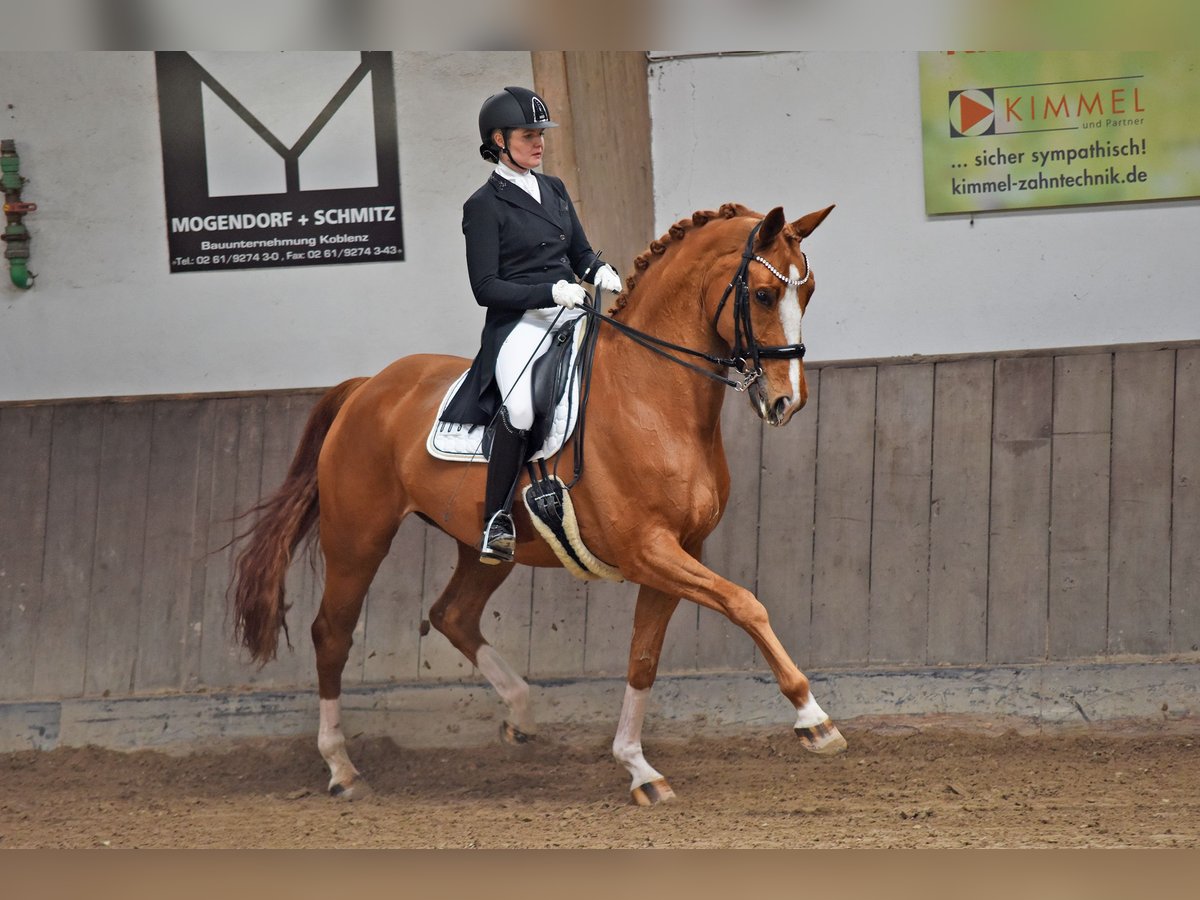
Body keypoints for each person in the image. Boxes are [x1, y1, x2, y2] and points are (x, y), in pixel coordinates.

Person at [440, 86, 622, 565]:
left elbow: (578, 251)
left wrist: (596, 268)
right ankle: (496, 520)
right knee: (519, 409)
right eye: (528, 134)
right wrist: (548, 292)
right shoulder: (484, 205)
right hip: (520, 322)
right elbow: (485, 287)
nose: (539, 142)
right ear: (498, 140)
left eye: (541, 133)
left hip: (571, 311)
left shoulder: (555, 188)